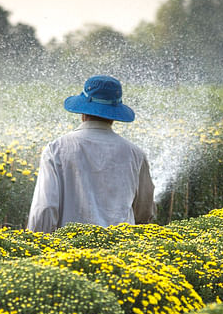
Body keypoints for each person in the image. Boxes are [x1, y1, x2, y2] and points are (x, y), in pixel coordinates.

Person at [26, 75, 155, 233]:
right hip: (121, 245)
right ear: (114, 115)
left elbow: (44, 209)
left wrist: (37, 242)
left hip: (67, 245)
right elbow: (144, 212)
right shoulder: (135, 155)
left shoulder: (56, 149)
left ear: (83, 112)